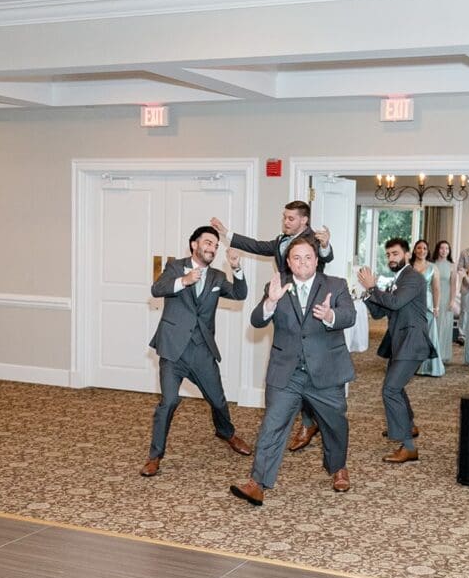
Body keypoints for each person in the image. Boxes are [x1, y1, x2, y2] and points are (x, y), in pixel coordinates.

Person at [230, 237, 356, 505]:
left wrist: (330, 316)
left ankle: (338, 468)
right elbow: (256, 319)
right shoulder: (276, 286)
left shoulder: (336, 285)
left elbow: (349, 315)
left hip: (325, 371)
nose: (302, 263)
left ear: (316, 259)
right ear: (288, 262)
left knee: (335, 425)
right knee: (272, 425)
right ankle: (258, 482)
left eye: (308, 257)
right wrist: (271, 303)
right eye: (296, 258)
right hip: (287, 372)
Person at [211, 201, 333, 453]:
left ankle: (312, 421)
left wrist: (325, 245)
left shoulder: (313, 239)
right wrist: (227, 234)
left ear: (304, 221)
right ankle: (308, 421)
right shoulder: (281, 240)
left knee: (308, 366)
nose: (285, 222)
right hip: (283, 300)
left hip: (309, 304)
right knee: (290, 362)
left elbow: (325, 256)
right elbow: (257, 246)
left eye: (290, 218)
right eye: (284, 217)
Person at [141, 226, 252, 477]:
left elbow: (239, 294)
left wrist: (236, 268)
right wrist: (184, 281)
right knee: (168, 402)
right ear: (194, 244)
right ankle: (154, 456)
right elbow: (157, 290)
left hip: (201, 349)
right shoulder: (174, 267)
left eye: (215, 245)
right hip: (172, 349)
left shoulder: (216, 277)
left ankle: (227, 433)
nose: (212, 248)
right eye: (208, 243)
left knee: (218, 400)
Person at [358, 238, 436, 463]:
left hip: (412, 343)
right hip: (400, 343)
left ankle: (408, 447)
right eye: (388, 255)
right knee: (396, 387)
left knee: (390, 390)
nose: (391, 258)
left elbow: (394, 303)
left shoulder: (412, 278)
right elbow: (380, 313)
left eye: (395, 254)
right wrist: (366, 294)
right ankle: (408, 426)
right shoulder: (398, 279)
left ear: (407, 254)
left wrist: (373, 287)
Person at [411, 240, 445, 377]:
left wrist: (436, 306)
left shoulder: (433, 267)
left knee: (430, 335)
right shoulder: (408, 266)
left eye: (424, 248)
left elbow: (436, 288)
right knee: (412, 335)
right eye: (419, 248)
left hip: (427, 304)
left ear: (427, 250)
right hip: (410, 303)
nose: (421, 250)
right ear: (414, 250)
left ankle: (430, 366)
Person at [432, 240, 455, 363]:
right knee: (434, 326)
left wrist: (452, 300)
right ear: (438, 249)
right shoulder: (432, 264)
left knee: (444, 326)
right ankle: (433, 353)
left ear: (449, 251)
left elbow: (453, 286)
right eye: (442, 248)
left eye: (447, 248)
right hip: (434, 298)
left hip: (446, 299)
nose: (444, 250)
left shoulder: (452, 265)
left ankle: (442, 354)